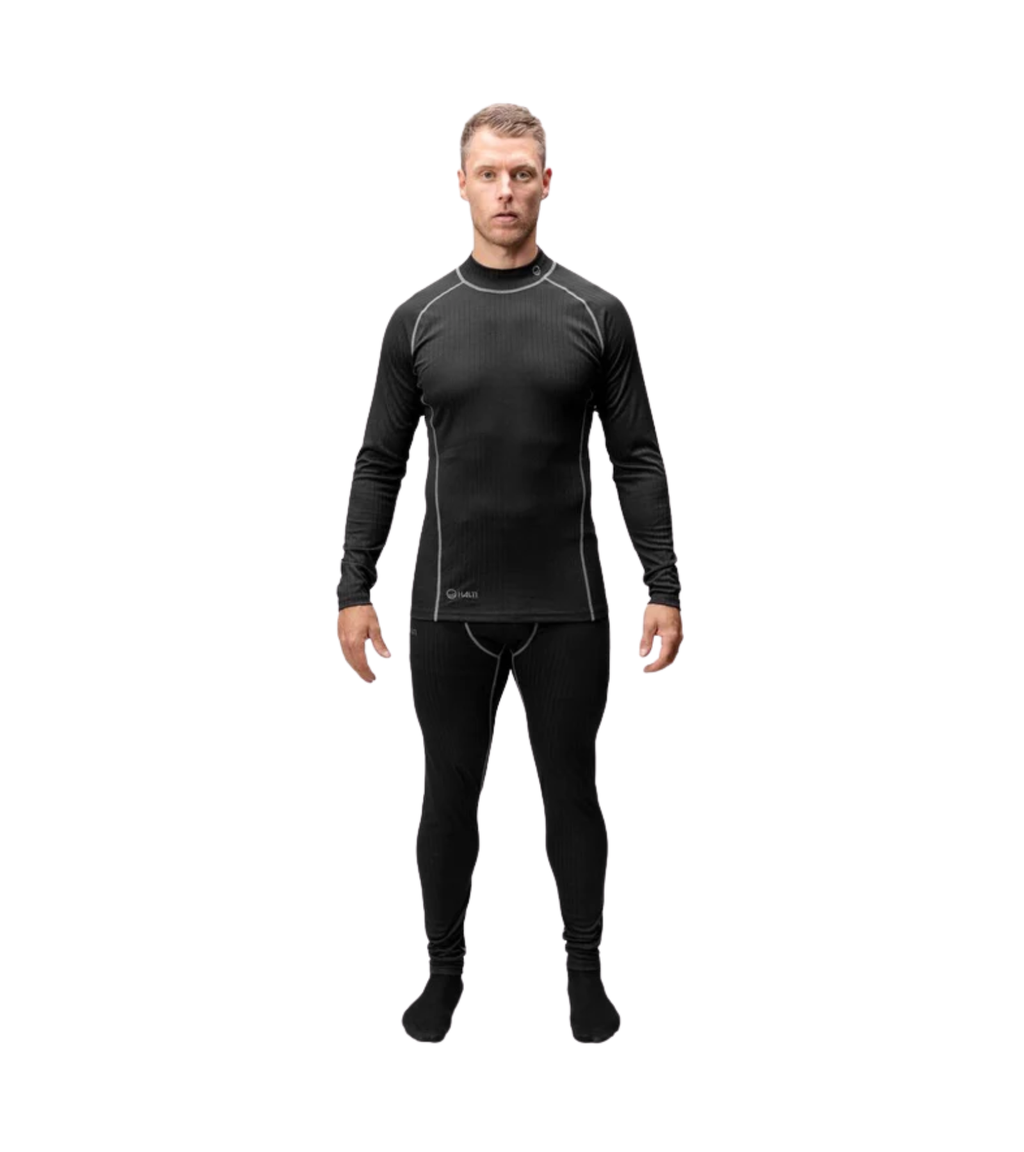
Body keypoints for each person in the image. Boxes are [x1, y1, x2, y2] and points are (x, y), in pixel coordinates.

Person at [336, 103, 683, 1043]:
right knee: (447, 798)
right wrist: (354, 587)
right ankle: (442, 975)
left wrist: (663, 584)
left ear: (547, 183)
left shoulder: (595, 314)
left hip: (568, 607)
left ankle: (585, 974)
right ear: (460, 184)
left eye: (522, 173)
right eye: (489, 173)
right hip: (447, 609)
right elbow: (379, 462)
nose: (505, 191)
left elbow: (637, 459)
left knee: (572, 795)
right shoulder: (419, 320)